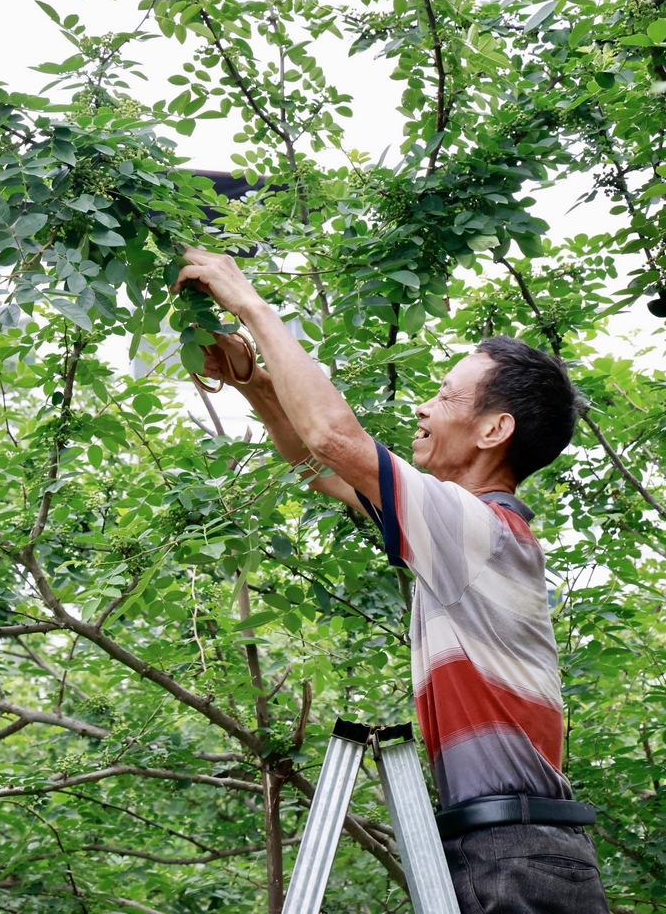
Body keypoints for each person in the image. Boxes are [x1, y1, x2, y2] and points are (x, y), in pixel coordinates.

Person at [172, 246, 609, 913]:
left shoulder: (481, 531)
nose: (424, 409)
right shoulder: (459, 530)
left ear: (495, 429)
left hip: (516, 855)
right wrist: (252, 380)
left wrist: (251, 305)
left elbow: (332, 439)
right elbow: (318, 469)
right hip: (509, 851)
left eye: (446, 395)